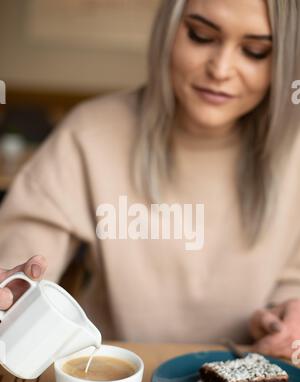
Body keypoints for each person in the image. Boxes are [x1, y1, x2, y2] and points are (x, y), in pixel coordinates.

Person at [0, 0, 299, 358]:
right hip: (110, 376)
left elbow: (291, 283)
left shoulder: (294, 152)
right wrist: (13, 294)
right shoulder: (91, 132)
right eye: (201, 36)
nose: (221, 69)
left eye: (255, 51)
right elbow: (23, 258)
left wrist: (289, 317)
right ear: (167, 32)